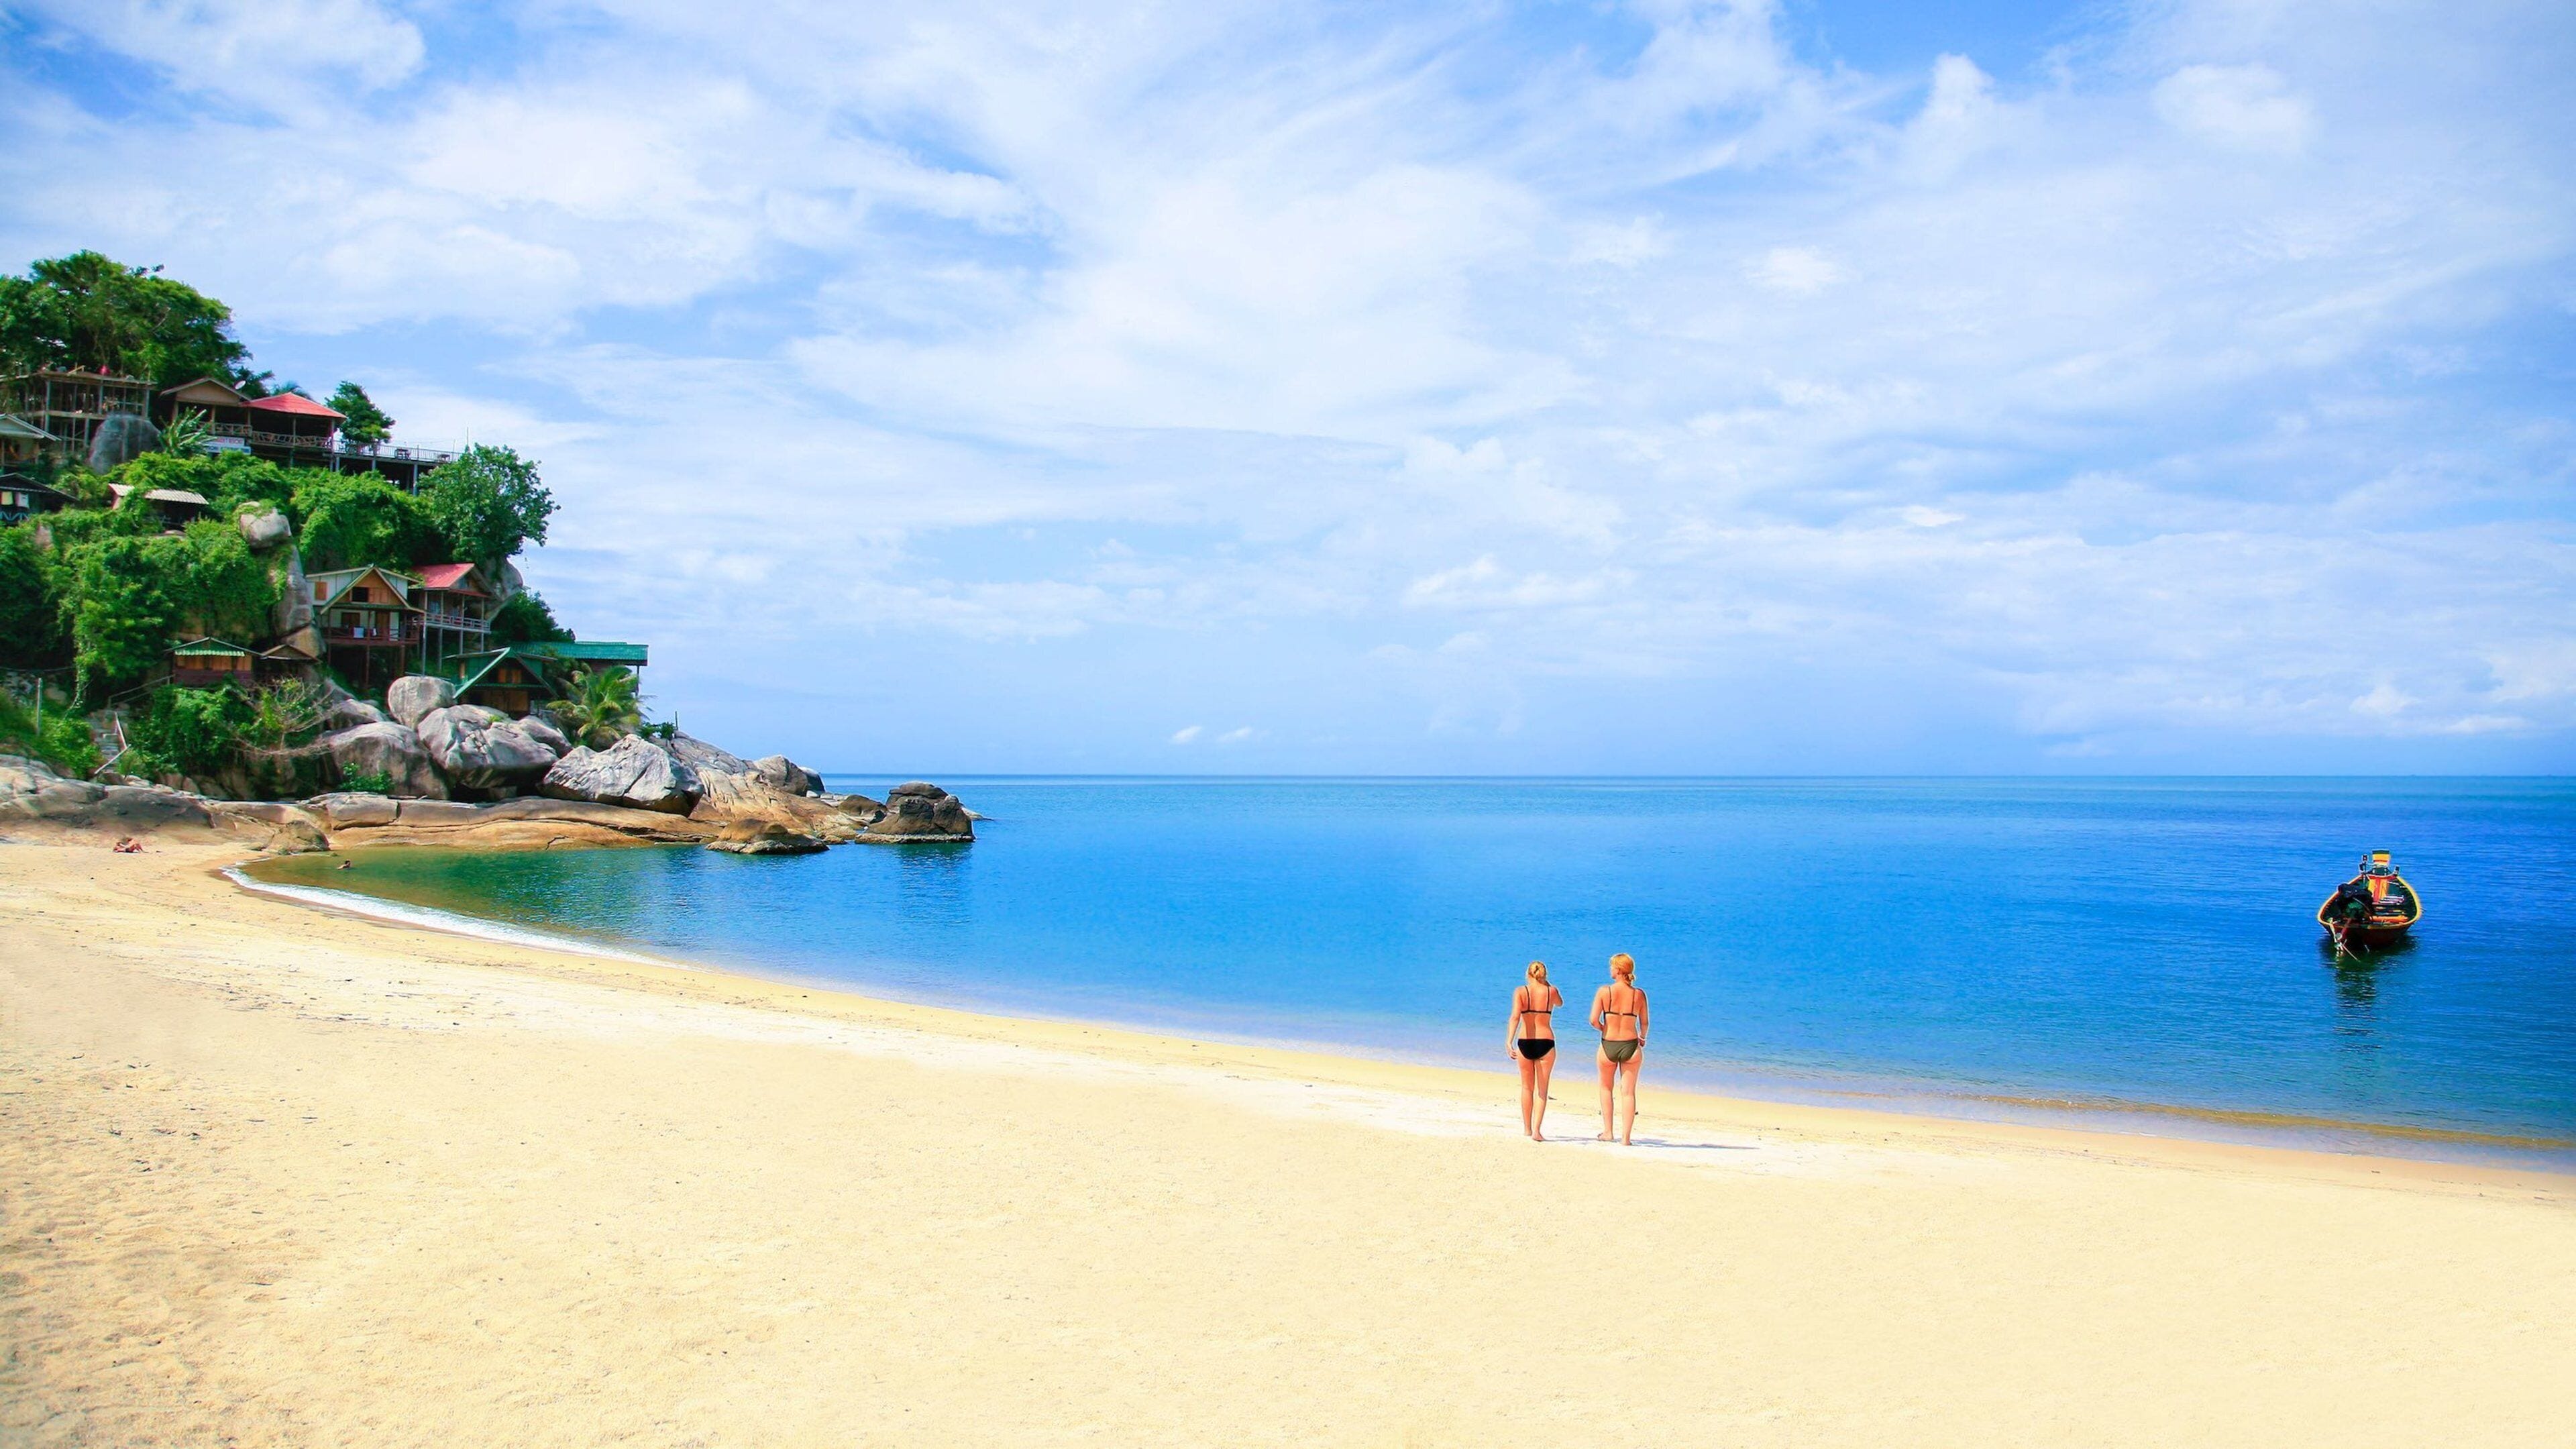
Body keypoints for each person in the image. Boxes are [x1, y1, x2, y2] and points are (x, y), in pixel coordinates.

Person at [1591, 953, 1648, 1144]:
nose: (1610, 969)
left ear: (1619, 970)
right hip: (1631, 1045)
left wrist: (1603, 1028)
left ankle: (1608, 1132)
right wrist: (1642, 1037)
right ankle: (1626, 1138)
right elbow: (1645, 1023)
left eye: (1612, 966)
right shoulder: (1639, 994)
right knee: (1629, 1092)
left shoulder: (1604, 992)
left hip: (1609, 1044)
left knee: (1606, 1088)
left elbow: (1593, 1020)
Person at [1505, 961, 1562, 1140]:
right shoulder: (1550, 991)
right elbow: (1560, 1003)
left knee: (1527, 1087)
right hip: (1546, 1041)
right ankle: (1537, 1131)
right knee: (1542, 1090)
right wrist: (1548, 985)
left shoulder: (1521, 992)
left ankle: (1527, 1128)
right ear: (1545, 975)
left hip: (1525, 1041)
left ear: (1528, 975)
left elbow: (1515, 1017)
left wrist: (1509, 1041)